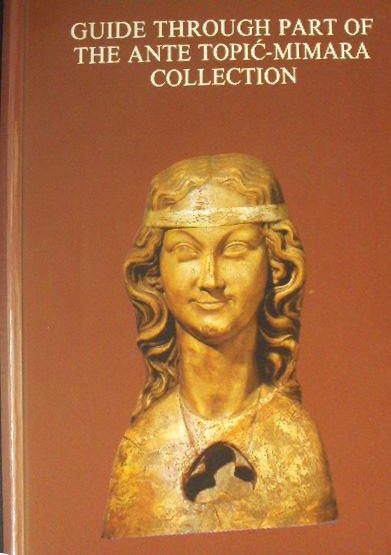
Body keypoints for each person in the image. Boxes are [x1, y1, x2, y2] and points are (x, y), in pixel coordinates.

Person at [102, 153, 337, 537]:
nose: (211, 279)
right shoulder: (141, 450)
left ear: (275, 265)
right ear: (155, 272)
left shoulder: (297, 441)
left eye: (235, 249)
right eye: (186, 252)